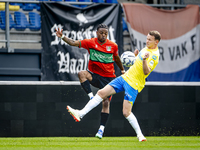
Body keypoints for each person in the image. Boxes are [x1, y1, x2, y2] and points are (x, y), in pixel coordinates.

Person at [66, 30, 161, 142]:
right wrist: (136, 56)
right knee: (101, 93)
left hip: (134, 84)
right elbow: (138, 63)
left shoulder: (154, 55)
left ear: (156, 42)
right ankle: (80, 114)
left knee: (126, 112)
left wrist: (144, 60)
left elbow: (146, 71)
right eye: (147, 38)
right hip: (125, 78)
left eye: (150, 39)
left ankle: (140, 136)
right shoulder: (145, 49)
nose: (147, 41)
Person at [55, 24, 125, 139]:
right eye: (101, 33)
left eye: (106, 33)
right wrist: (62, 37)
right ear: (97, 33)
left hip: (108, 78)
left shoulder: (113, 46)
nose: (104, 35)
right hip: (94, 75)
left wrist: (122, 70)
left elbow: (117, 59)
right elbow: (73, 42)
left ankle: (101, 129)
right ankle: (91, 97)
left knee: (106, 102)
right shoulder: (91, 42)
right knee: (81, 74)